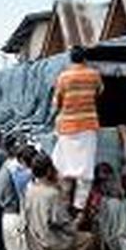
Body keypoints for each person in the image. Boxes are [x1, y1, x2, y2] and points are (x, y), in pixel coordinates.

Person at [51, 45, 104, 210]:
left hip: (67, 127)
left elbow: (56, 102)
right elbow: (100, 91)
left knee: (65, 168)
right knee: (85, 169)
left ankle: (64, 203)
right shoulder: (94, 74)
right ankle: (79, 206)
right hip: (88, 125)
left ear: (70, 59)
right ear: (85, 59)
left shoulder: (64, 77)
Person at [24, 152, 75, 250]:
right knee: (80, 242)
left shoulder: (30, 189)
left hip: (34, 243)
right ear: (48, 170)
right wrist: (77, 221)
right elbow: (61, 221)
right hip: (49, 246)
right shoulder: (51, 194)